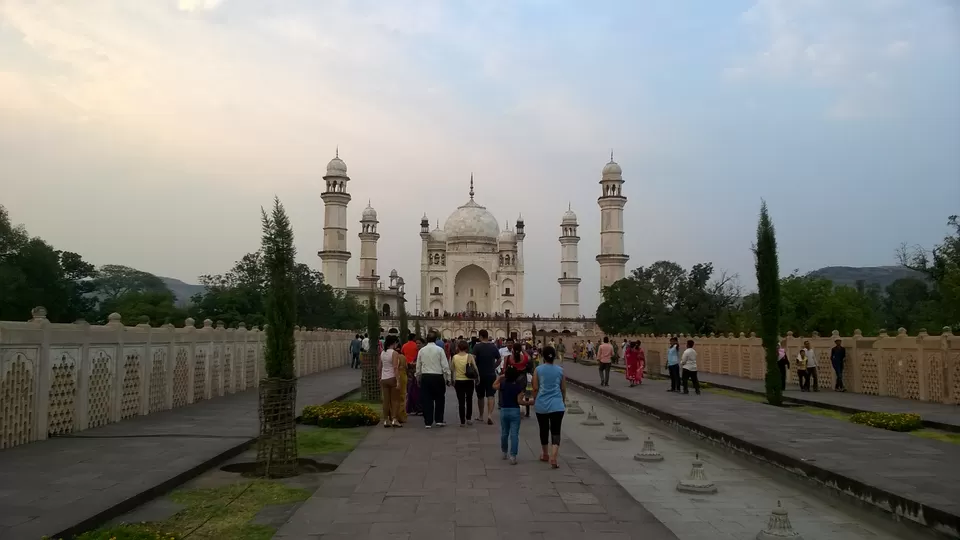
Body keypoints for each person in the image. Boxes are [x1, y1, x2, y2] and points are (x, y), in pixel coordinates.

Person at [533, 345, 566, 469]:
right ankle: (554, 457)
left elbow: (535, 388)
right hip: (557, 405)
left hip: (542, 404)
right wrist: (562, 400)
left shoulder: (538, 370)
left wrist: (535, 400)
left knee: (543, 429)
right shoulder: (560, 370)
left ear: (543, 356)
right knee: (556, 431)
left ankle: (545, 454)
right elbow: (563, 388)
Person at [416, 331, 451, 428]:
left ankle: (428, 421)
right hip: (437, 376)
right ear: (436, 340)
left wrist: (418, 377)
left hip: (426, 376)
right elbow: (445, 365)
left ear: (427, 339)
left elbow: (418, 366)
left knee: (427, 399)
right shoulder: (439, 350)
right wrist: (448, 378)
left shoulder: (422, 351)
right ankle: (439, 420)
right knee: (440, 398)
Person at [494, 366, 525, 464]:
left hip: (504, 410)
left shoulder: (503, 385)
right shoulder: (518, 387)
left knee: (504, 432)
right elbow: (520, 401)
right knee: (514, 434)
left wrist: (500, 377)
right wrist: (531, 403)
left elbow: (494, 386)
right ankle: (513, 456)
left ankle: (504, 452)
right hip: (515, 411)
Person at [473, 329, 501, 425]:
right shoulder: (493, 346)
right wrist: (494, 366)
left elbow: (473, 360)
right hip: (491, 374)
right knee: (491, 395)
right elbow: (499, 359)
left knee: (480, 396)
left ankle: (481, 416)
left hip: (480, 374)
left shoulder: (477, 347)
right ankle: (489, 415)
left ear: (480, 337)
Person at [377, 335, 403, 428]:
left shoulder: (382, 353)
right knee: (395, 400)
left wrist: (380, 377)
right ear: (394, 343)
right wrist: (398, 380)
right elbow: (395, 367)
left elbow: (379, 366)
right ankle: (394, 419)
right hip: (392, 377)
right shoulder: (394, 353)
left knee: (386, 400)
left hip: (384, 378)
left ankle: (385, 419)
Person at [451, 340, 478, 426]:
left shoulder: (455, 357)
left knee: (461, 401)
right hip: (469, 381)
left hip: (459, 381)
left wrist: (452, 379)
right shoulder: (470, 356)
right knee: (469, 399)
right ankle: (469, 418)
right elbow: (475, 368)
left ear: (458, 348)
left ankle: (462, 421)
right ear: (467, 348)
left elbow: (452, 369)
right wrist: (478, 378)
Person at [402, 334, 422, 416]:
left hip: (408, 368)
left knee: (410, 388)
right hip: (416, 368)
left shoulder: (404, 346)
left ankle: (412, 407)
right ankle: (417, 407)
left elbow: (402, 354)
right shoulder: (417, 348)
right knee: (416, 389)